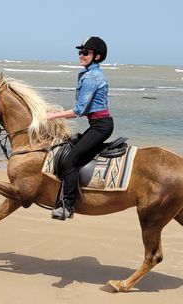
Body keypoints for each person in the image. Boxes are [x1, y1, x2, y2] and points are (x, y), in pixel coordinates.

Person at [47, 36, 114, 220]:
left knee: (70, 161)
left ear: (97, 57)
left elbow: (79, 110)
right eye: (80, 52)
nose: (81, 55)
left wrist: (53, 116)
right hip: (98, 124)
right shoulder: (89, 74)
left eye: (85, 52)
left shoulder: (92, 77)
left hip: (101, 127)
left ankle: (67, 206)